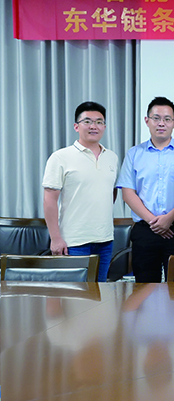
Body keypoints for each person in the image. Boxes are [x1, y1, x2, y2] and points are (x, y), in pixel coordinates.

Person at [118, 97, 174, 282]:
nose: (161, 123)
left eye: (167, 119)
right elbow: (127, 192)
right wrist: (154, 222)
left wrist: (169, 218)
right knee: (145, 287)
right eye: (156, 118)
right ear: (147, 120)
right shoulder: (134, 153)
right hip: (145, 230)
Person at [42, 101, 119, 282]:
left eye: (99, 122)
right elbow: (49, 200)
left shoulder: (112, 157)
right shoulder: (60, 157)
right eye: (87, 121)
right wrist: (56, 238)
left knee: (100, 292)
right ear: (76, 126)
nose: (94, 126)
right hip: (73, 241)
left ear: (105, 127)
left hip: (105, 239)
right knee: (75, 295)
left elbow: (111, 192)